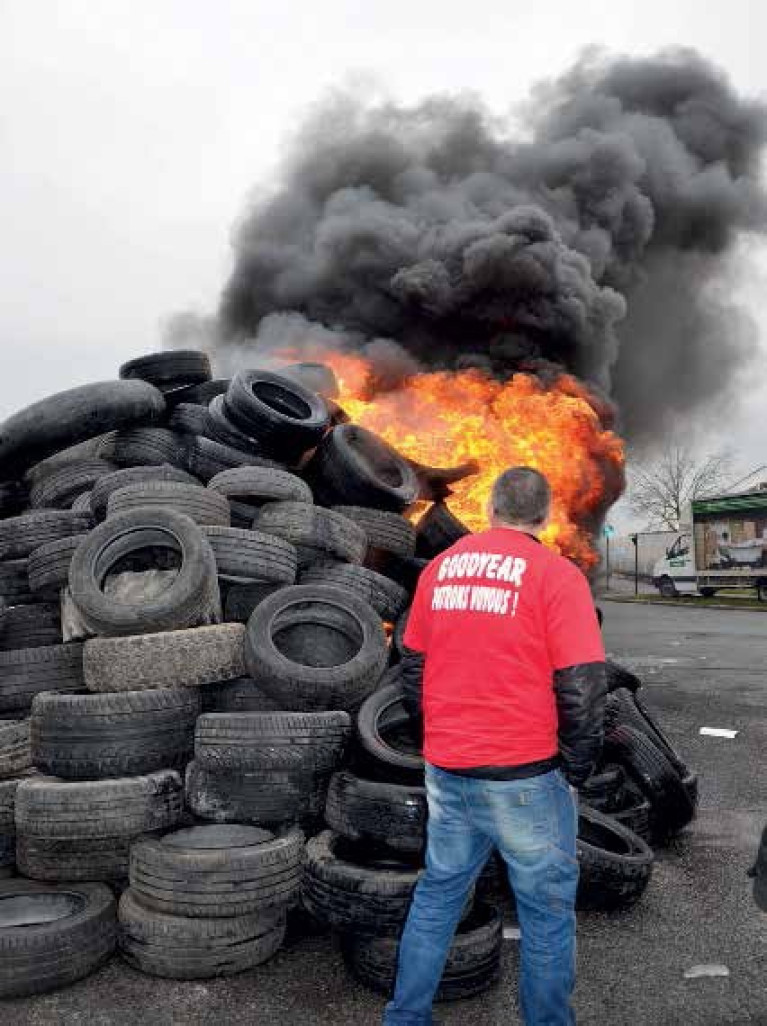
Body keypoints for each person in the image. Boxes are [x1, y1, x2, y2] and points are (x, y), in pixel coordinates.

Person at [382, 466, 607, 1026]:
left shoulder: (441, 568)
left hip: (450, 770)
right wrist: (577, 766)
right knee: (547, 915)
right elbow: (582, 684)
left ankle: (405, 1018)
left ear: (490, 510)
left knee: (437, 897)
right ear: (545, 515)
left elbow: (413, 662)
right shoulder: (555, 575)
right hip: (525, 777)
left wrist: (434, 732)